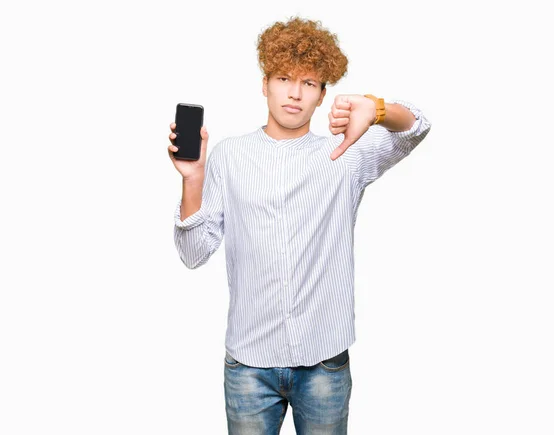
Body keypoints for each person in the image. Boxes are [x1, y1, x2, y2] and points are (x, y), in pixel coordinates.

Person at [167, 16, 431, 435]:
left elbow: (416, 127)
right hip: (249, 366)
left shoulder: (345, 155)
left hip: (324, 362)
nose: (294, 92)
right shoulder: (230, 156)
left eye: (309, 83)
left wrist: (378, 109)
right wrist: (193, 179)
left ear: (323, 94)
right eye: (284, 78)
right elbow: (194, 252)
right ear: (265, 83)